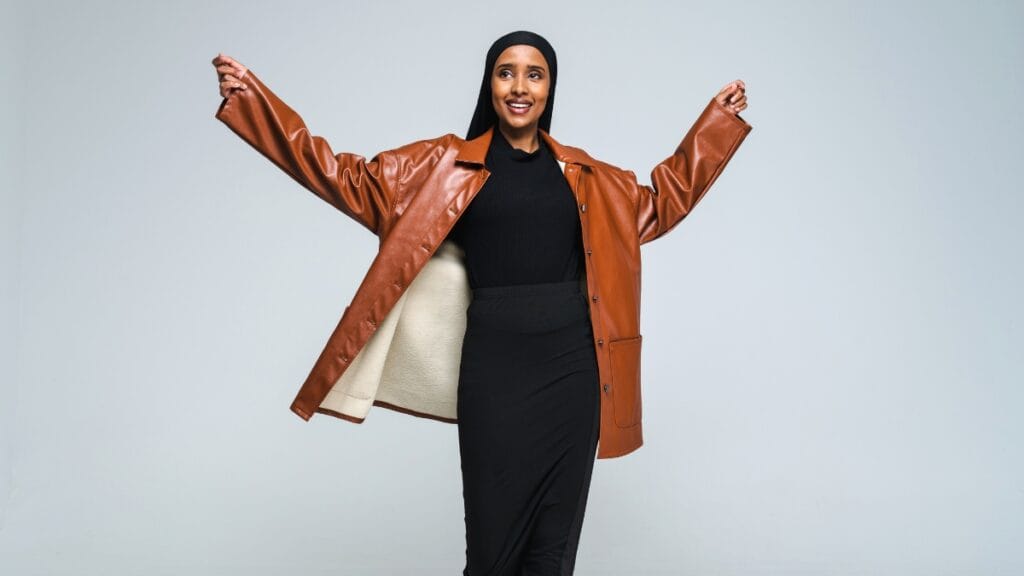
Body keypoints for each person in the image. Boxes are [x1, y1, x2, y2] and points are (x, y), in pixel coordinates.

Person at [212, 29, 750, 576]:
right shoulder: (445, 167)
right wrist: (254, 102)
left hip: (574, 374)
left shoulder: (584, 175)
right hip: (495, 371)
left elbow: (660, 203)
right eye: (506, 72)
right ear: (489, 83)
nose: (520, 87)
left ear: (550, 89)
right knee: (492, 556)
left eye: (534, 74)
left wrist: (716, 125)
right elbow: (341, 175)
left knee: (551, 556)